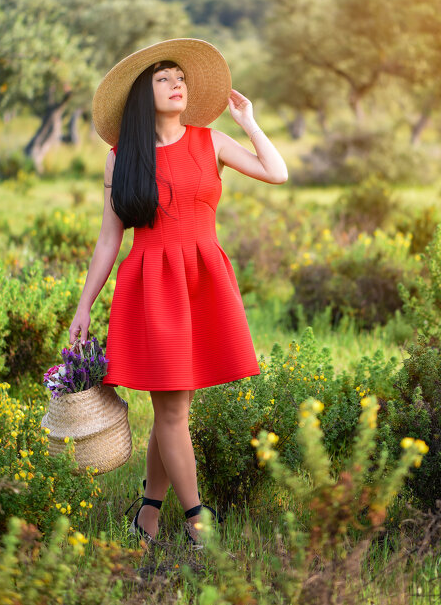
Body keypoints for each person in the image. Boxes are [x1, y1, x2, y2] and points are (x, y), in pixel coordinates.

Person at [68, 38, 288, 548]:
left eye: (180, 78)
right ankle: (196, 520)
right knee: (172, 411)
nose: (177, 85)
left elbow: (276, 173)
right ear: (144, 95)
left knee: (173, 409)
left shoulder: (209, 142)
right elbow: (109, 241)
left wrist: (249, 123)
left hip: (202, 282)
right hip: (150, 288)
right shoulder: (120, 158)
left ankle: (146, 513)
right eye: (164, 79)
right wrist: (84, 306)